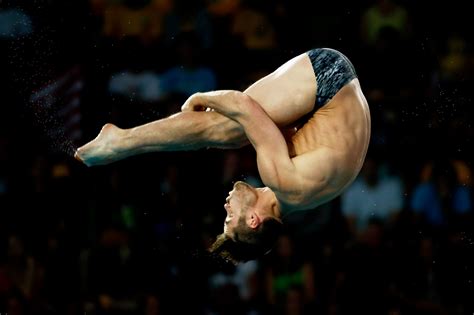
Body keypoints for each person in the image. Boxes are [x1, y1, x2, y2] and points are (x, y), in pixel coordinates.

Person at [75, 48, 371, 264]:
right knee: (220, 127)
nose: (226, 206)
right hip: (328, 77)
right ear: (254, 220)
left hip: (338, 87)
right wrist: (202, 97)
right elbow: (239, 103)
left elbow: (296, 132)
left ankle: (123, 141)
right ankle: (120, 141)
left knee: (234, 136)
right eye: (230, 218)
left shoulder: (304, 199)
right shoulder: (282, 181)